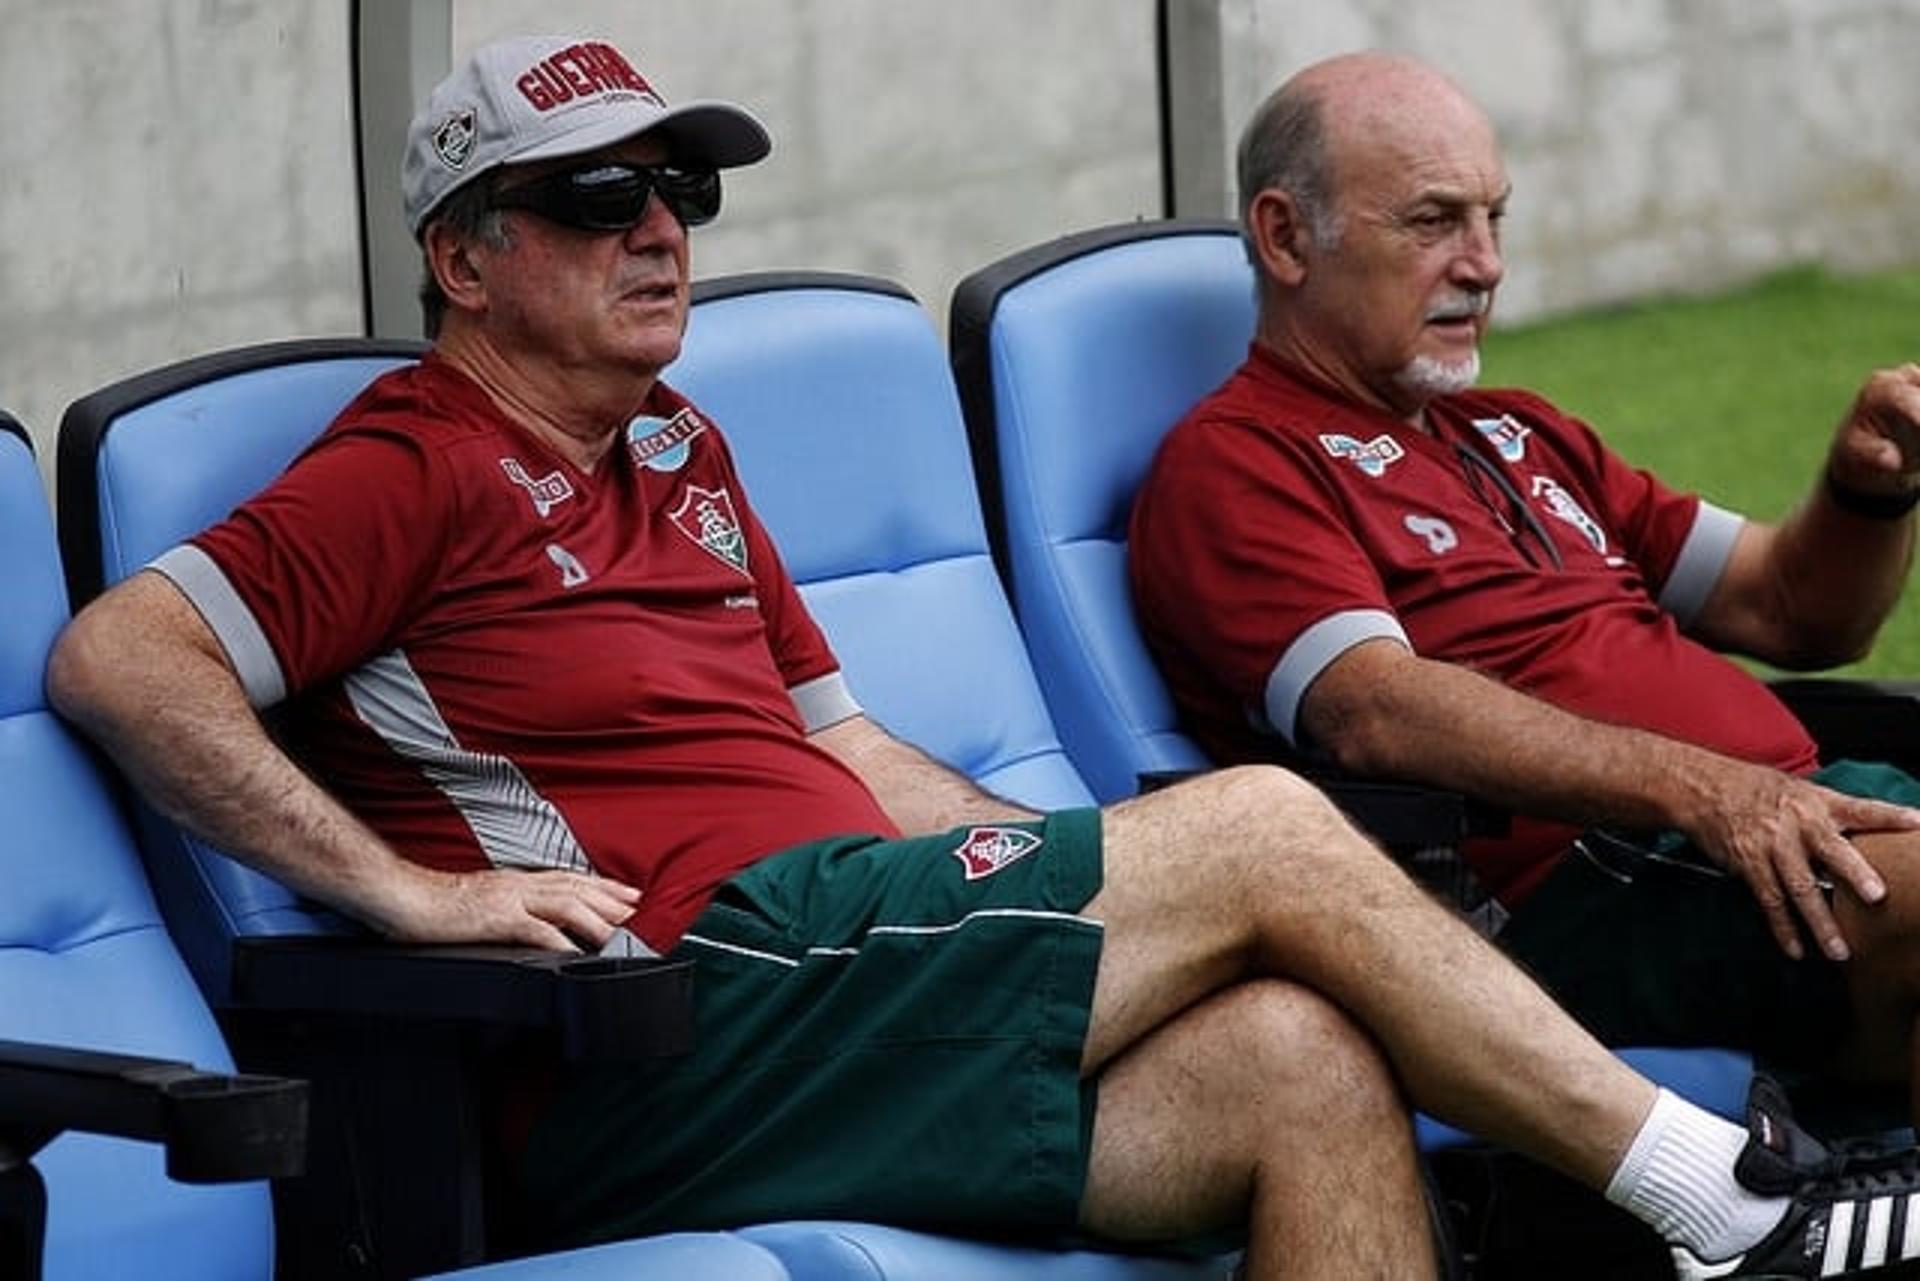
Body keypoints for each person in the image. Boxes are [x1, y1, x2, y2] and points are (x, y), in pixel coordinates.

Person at [44, 34, 1920, 1281]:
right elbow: (125, 661)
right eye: (599, 202)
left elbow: (853, 752)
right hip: (675, 1012)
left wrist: (1102, 862)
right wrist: (401, 888)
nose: (659, 233)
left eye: (680, 195)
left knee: (1297, 1059)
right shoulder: (413, 458)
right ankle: (1717, 1202)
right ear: (465, 259)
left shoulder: (683, 454)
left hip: (844, 966)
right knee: (1266, 824)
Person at [1130, 47, 1920, 1161]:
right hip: (1578, 896)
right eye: (1434, 222)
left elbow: (1795, 611)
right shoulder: (1239, 464)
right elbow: (1375, 711)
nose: (1486, 264)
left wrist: (1865, 491)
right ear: (1286, 235)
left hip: (1778, 823)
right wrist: (1705, 791)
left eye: (1496, 217)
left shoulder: (1519, 431)